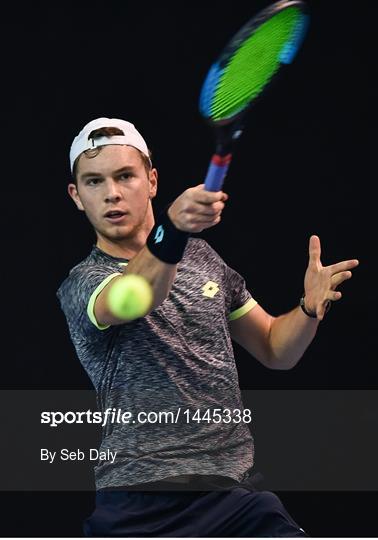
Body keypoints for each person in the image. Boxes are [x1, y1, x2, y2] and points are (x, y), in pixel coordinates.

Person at [57, 117, 359, 537]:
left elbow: (275, 349)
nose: (111, 193)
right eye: (93, 181)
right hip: (139, 502)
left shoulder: (203, 259)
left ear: (152, 180)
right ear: (76, 195)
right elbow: (137, 296)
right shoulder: (81, 285)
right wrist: (173, 228)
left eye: (125, 176)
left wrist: (307, 309)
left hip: (233, 496)